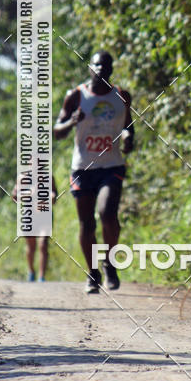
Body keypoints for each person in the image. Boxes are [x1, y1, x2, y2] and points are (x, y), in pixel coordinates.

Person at [54, 51, 134, 293]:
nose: (101, 69)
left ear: (111, 69)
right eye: (97, 65)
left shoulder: (121, 95)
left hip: (111, 165)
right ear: (90, 68)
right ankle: (92, 273)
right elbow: (57, 131)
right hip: (83, 168)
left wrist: (129, 137)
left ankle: (109, 263)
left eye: (106, 66)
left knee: (107, 213)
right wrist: (71, 122)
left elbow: (128, 126)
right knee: (87, 224)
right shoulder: (76, 95)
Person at [12, 176, 57, 281]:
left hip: (45, 214)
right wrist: (29, 193)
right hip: (29, 215)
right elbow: (15, 196)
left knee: (43, 244)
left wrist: (52, 196)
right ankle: (31, 271)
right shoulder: (22, 178)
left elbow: (55, 196)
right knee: (31, 247)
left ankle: (41, 276)